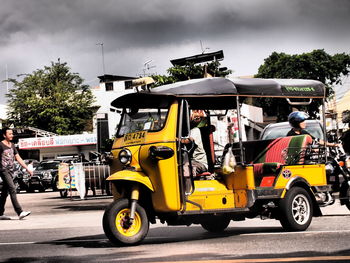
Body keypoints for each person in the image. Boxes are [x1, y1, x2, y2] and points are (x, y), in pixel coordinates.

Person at [0, 127, 32, 220]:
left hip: (11, 171)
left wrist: (27, 168)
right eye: (9, 134)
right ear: (4, 135)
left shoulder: (12, 145)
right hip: (3, 170)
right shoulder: (0, 145)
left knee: (4, 193)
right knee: (12, 189)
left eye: (12, 133)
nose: (11, 135)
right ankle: (20, 212)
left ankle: (0, 213)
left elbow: (18, 158)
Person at [182, 110, 208, 177]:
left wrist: (175, 140)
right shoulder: (187, 132)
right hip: (191, 161)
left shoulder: (195, 130)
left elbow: (188, 141)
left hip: (200, 163)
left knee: (186, 169)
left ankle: (187, 187)